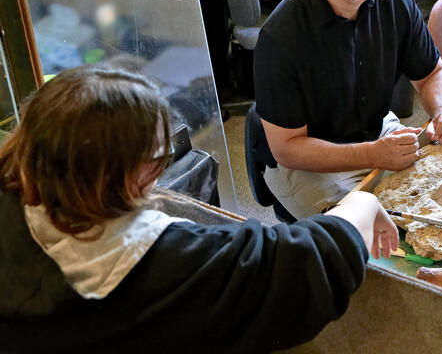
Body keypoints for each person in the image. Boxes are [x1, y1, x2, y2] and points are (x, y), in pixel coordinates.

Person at [0, 66, 398, 353]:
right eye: (158, 159)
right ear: (129, 179)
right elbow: (299, 264)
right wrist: (361, 203)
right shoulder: (166, 264)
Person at [253, 0, 442, 219]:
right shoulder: (280, 36)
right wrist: (374, 154)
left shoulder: (398, 2)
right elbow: (288, 147)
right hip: (307, 159)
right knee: (362, 238)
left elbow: (432, 72)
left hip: (375, 134)